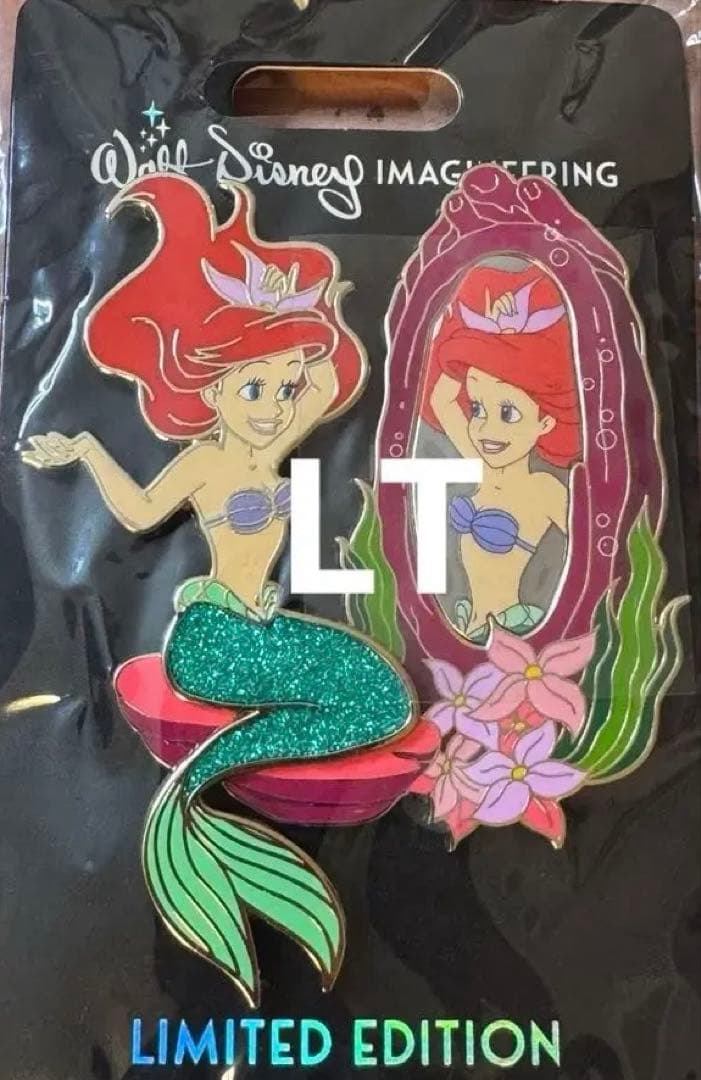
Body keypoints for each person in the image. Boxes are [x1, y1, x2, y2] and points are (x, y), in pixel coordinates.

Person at [423, 264, 581, 641]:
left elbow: (595, 557)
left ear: (546, 422)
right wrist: (466, 334)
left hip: (515, 629)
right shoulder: (480, 466)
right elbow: (442, 400)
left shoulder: (545, 488)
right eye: (478, 408)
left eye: (508, 414)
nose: (486, 428)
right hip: (466, 624)